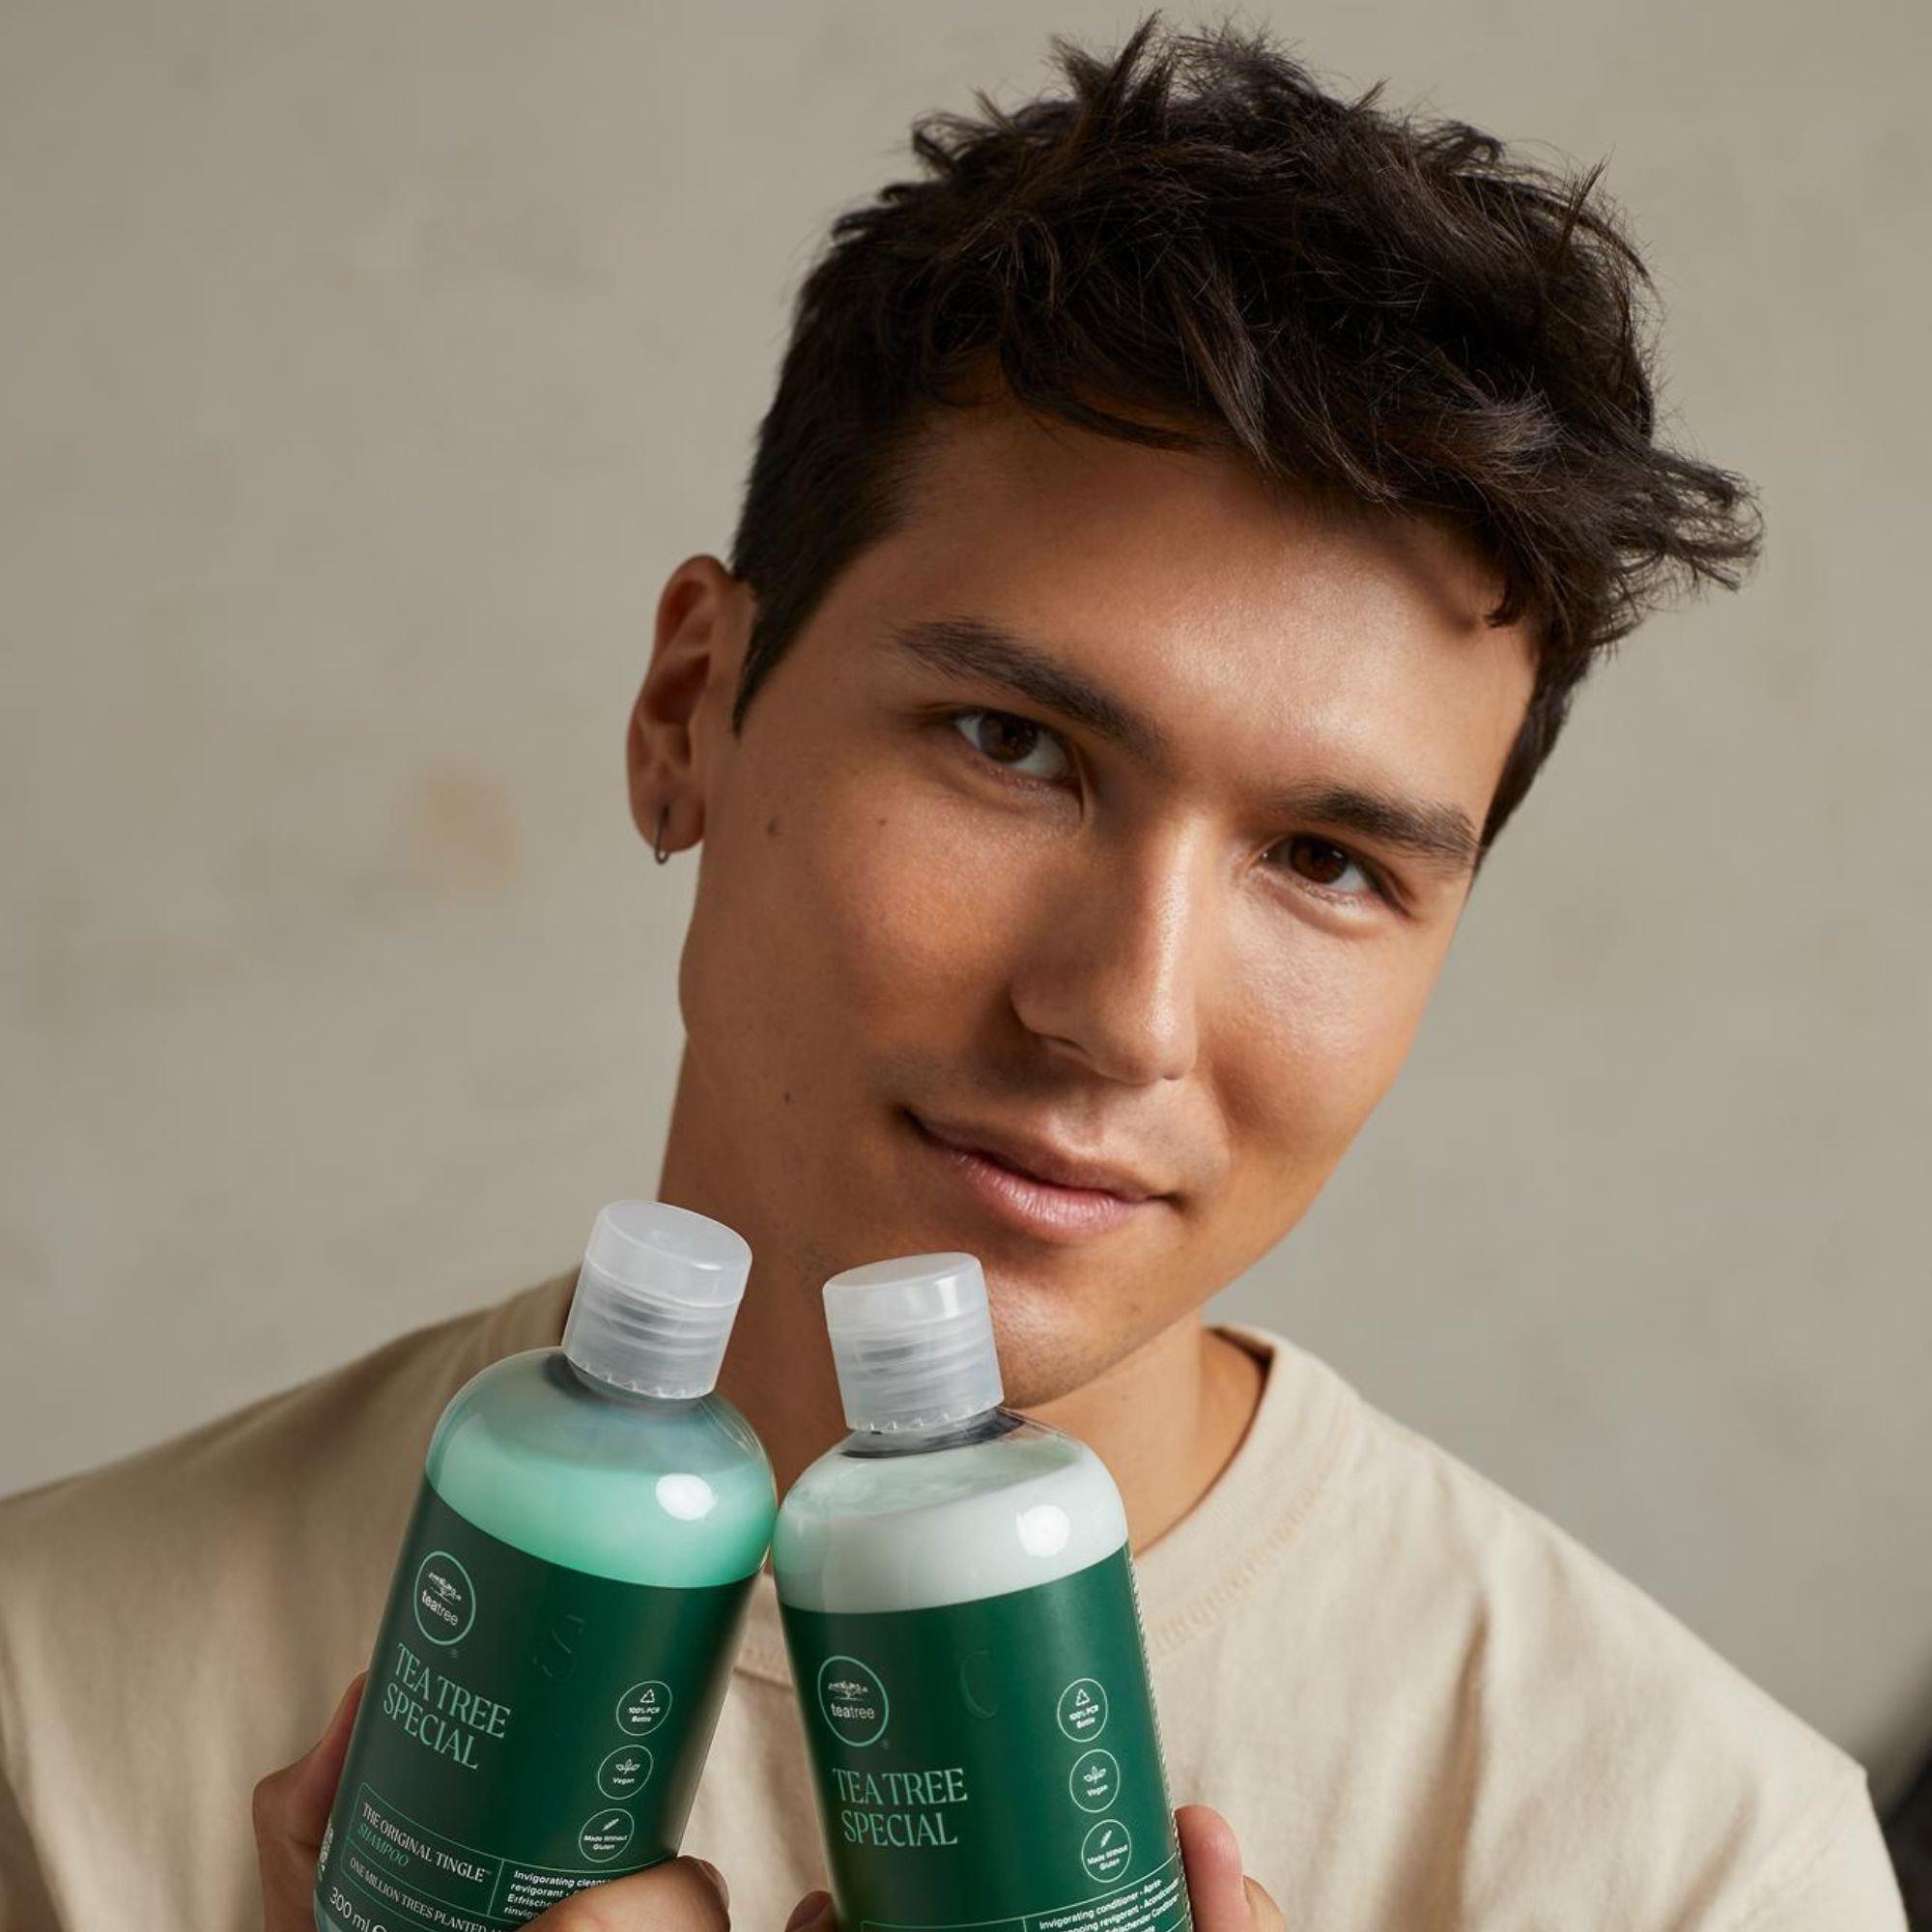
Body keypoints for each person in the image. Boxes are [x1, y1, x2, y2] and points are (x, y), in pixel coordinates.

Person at [0, 14, 1906, 1930]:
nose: (1122, 1014)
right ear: (689, 710)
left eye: (1327, 863)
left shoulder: (1704, 1868)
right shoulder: (46, 1712)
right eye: (1013, 747)